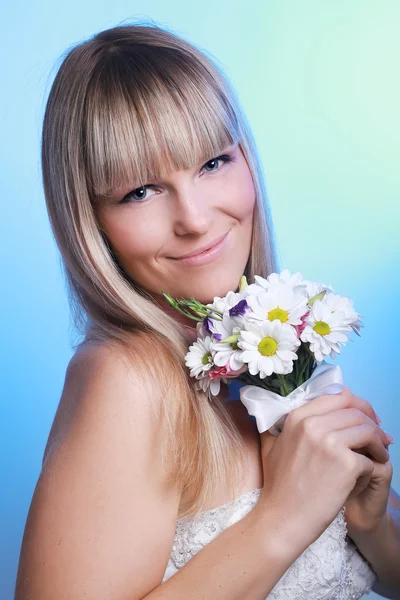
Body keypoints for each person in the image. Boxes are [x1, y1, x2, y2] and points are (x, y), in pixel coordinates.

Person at [15, 21, 399, 600]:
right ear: (90, 221)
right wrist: (285, 519)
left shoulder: (259, 349)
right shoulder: (124, 379)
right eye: (140, 191)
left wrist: (368, 521)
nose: (193, 218)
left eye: (213, 162)